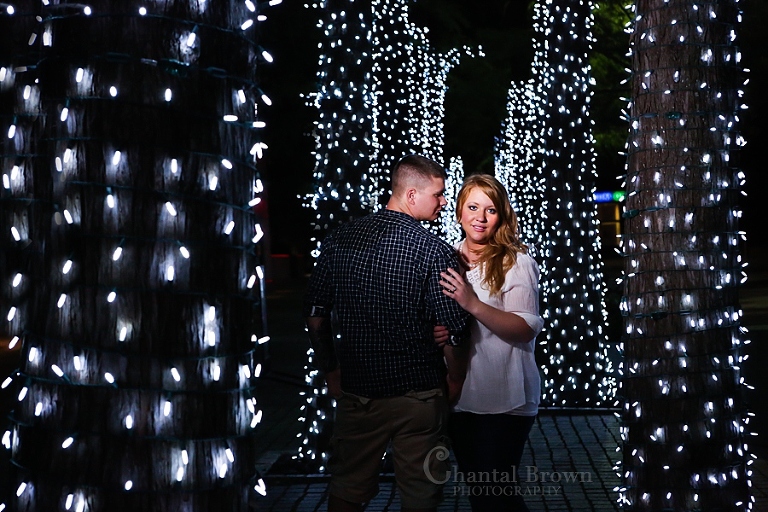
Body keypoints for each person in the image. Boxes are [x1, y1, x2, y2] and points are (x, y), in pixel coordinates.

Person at [303, 154, 471, 512]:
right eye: (438, 195)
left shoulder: (339, 241)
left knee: (348, 488)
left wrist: (331, 371)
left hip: (360, 391)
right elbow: (455, 330)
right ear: (411, 195)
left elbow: (316, 316)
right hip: (419, 395)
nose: (444, 203)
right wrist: (455, 379)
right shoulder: (434, 252)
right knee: (421, 495)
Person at [434, 174, 544, 512]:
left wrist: (473, 305)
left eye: (490, 209)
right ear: (459, 212)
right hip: (460, 395)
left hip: (505, 396)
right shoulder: (445, 260)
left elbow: (524, 329)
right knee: (481, 496)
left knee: (497, 493)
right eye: (473, 207)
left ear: (501, 216)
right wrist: (436, 332)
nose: (480, 217)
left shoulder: (516, 263)